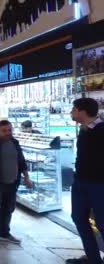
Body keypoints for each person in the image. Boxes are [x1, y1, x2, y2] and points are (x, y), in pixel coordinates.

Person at [0, 120, 33, 251]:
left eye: (10, 130)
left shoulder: (15, 143)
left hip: (12, 183)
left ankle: (4, 234)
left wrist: (26, 177)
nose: (8, 133)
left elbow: (21, 161)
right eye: (4, 131)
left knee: (8, 210)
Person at [66, 98, 104, 264]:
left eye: (74, 109)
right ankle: (93, 259)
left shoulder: (101, 130)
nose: (71, 112)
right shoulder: (84, 129)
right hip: (80, 182)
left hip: (99, 184)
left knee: (102, 223)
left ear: (83, 111)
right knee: (79, 218)